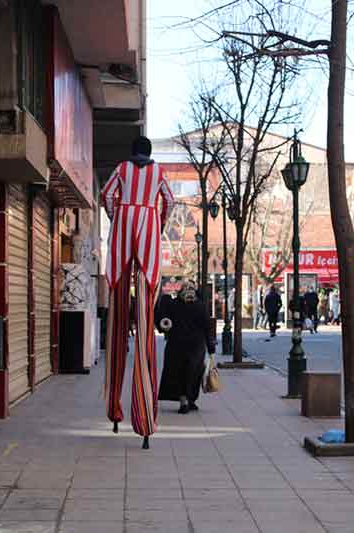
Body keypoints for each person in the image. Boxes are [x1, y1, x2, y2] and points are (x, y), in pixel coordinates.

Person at [101, 135, 174, 448]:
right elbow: (169, 201)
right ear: (150, 153)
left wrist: (117, 217)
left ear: (132, 153)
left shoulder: (121, 168)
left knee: (118, 315)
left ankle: (114, 408)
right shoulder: (158, 173)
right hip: (147, 228)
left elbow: (105, 195)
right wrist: (157, 225)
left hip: (123, 228)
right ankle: (145, 416)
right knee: (145, 323)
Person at [157, 281, 216, 414]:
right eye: (187, 288)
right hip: (186, 346)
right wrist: (211, 348)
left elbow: (207, 328)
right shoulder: (195, 306)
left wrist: (211, 348)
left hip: (186, 346)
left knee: (190, 373)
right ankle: (186, 400)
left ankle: (188, 400)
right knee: (187, 373)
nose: (189, 291)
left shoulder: (195, 306)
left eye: (191, 289)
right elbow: (164, 321)